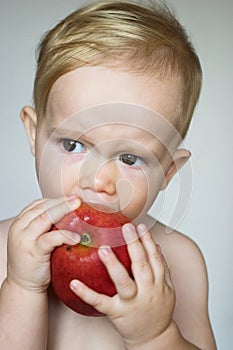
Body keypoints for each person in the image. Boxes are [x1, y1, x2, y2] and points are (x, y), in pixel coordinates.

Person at [0, 1, 217, 349]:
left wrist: (156, 335)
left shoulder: (179, 262)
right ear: (33, 134)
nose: (98, 181)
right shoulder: (6, 248)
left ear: (168, 172)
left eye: (130, 158)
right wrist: (21, 288)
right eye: (73, 146)